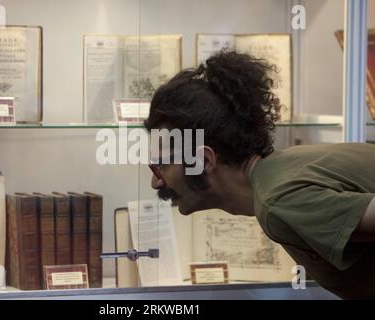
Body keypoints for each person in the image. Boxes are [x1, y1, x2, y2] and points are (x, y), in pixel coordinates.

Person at [144, 50, 375, 299]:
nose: (156, 181)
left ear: (203, 160)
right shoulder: (286, 168)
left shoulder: (279, 200)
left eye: (161, 165)